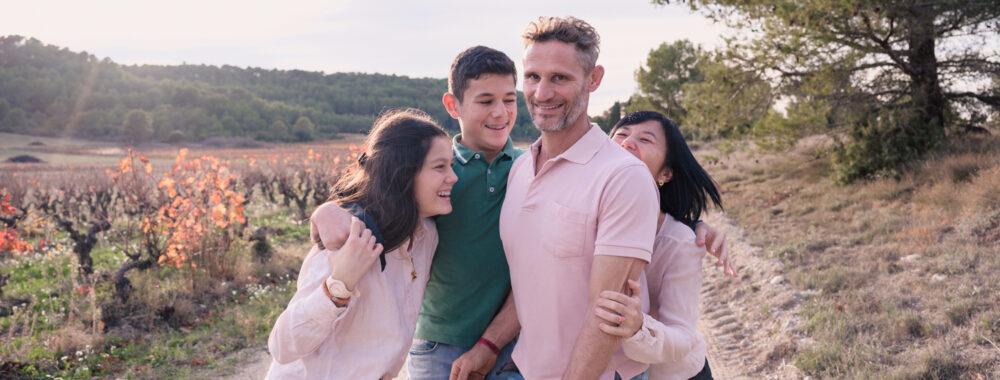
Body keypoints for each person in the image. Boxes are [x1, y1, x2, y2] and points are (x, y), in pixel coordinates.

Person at [499, 16, 656, 380]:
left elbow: (608, 315)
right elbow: (534, 278)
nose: (541, 94)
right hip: (525, 366)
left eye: (560, 78)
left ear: (594, 79)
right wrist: (489, 345)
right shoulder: (520, 170)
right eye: (533, 77)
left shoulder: (622, 177)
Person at [266, 108, 458, 379]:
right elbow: (281, 346)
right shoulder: (348, 239)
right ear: (402, 174)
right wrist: (339, 284)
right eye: (440, 167)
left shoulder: (426, 234)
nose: (453, 177)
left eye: (451, 165)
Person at [596, 111, 722, 380]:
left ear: (665, 172)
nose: (628, 142)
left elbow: (682, 336)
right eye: (621, 134)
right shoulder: (588, 216)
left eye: (645, 139)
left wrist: (638, 327)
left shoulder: (679, 241)